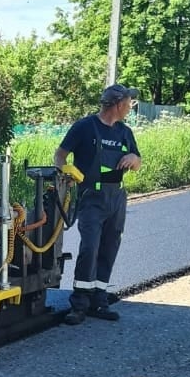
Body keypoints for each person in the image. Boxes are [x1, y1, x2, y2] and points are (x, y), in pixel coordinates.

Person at [54, 83, 142, 325]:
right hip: (91, 197)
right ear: (117, 104)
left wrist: (134, 158)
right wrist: (67, 171)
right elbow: (59, 155)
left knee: (109, 247)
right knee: (90, 248)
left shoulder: (125, 132)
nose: (130, 107)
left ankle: (99, 301)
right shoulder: (84, 127)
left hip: (116, 197)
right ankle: (80, 304)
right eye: (128, 103)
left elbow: (138, 161)